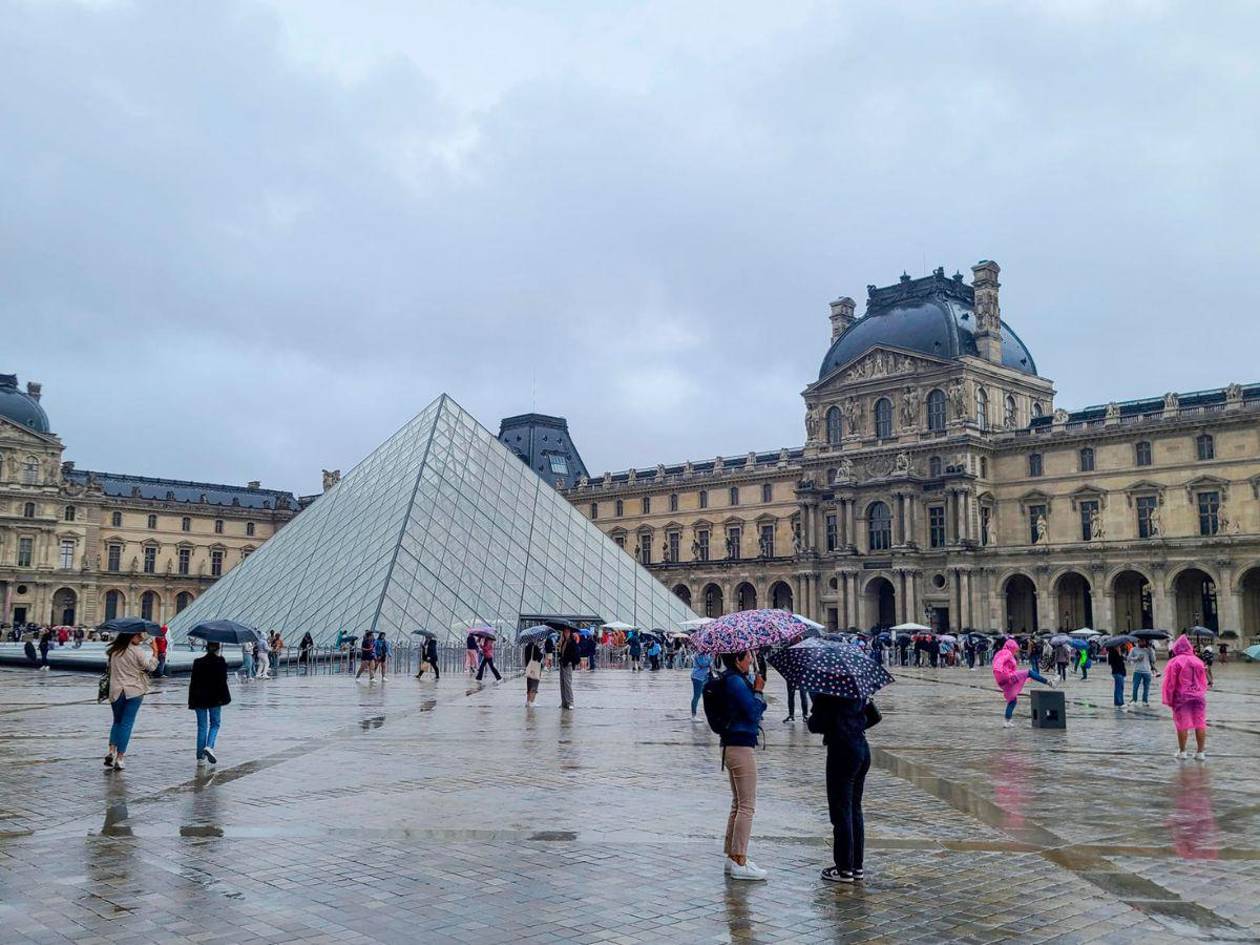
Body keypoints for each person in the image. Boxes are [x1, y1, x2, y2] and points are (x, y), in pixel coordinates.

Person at [715, 650, 767, 880]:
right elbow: (754, 712)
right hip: (740, 746)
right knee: (747, 806)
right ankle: (739, 860)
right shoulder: (736, 682)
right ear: (737, 660)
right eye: (747, 657)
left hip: (731, 745)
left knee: (738, 804)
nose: (750, 661)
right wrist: (758, 690)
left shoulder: (732, 679)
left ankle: (733, 857)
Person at [808, 693, 871, 883]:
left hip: (842, 750)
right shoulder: (856, 687)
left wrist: (815, 708)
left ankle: (844, 868)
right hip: (861, 747)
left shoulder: (828, 691)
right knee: (854, 809)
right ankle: (856, 866)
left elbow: (816, 724)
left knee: (841, 811)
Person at [104, 631, 158, 770]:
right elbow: (151, 667)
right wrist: (155, 651)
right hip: (134, 691)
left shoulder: (114, 651)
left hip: (116, 691)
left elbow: (109, 669)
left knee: (117, 722)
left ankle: (111, 751)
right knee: (127, 724)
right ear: (131, 636)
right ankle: (120, 758)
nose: (141, 639)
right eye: (139, 636)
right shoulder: (137, 651)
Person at [1162, 635, 1209, 761]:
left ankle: (1183, 751)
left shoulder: (1175, 662)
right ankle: (1200, 752)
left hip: (1181, 696)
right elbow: (1203, 681)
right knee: (1200, 722)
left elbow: (1170, 683)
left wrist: (1169, 698)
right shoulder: (1198, 661)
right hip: (1198, 696)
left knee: (1182, 724)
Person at [993, 638, 1055, 728]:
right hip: (1006, 676)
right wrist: (998, 669)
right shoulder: (1007, 652)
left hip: (1002, 680)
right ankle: (1049, 682)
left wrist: (1023, 679)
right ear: (1011, 647)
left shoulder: (1000, 653)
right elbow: (999, 662)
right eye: (1014, 649)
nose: (1015, 652)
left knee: (1012, 701)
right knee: (1029, 672)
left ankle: (1007, 721)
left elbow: (1000, 663)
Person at [188, 641, 231, 767]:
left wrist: (191, 701)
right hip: (215, 699)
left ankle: (200, 758)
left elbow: (193, 683)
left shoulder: (197, 662)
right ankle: (209, 746)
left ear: (206, 648)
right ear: (218, 649)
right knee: (215, 724)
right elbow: (223, 681)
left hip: (199, 699)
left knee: (202, 726)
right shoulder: (221, 662)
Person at [1128, 639, 1155, 706]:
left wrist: (1151, 651)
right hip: (1137, 671)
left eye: (1144, 641)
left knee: (1146, 687)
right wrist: (1137, 658)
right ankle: (1134, 700)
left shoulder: (1148, 650)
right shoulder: (1133, 649)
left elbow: (1153, 660)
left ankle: (1145, 701)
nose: (1142, 642)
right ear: (1138, 641)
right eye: (1141, 641)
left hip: (1147, 671)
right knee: (1135, 686)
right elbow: (1128, 658)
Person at [558, 627, 579, 709]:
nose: (566, 634)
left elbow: (572, 654)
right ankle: (564, 702)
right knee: (562, 683)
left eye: (567, 632)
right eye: (565, 632)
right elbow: (562, 653)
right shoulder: (563, 642)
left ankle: (570, 702)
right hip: (562, 664)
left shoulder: (571, 642)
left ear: (570, 633)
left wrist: (568, 661)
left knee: (567, 683)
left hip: (568, 664)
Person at [690, 650, 713, 721]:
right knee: (697, 696)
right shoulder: (698, 654)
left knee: (707, 695)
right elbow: (703, 664)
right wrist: (711, 660)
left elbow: (710, 664)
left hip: (705, 677)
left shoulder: (707, 653)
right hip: (697, 677)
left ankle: (709, 714)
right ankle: (693, 716)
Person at [1108, 643, 1128, 709]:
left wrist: (1120, 654)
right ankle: (1120, 703)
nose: (1119, 646)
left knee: (1118, 687)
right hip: (1118, 672)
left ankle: (1118, 702)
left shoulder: (1113, 652)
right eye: (1118, 645)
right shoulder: (1113, 653)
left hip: (1118, 672)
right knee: (1119, 688)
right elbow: (1118, 662)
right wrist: (1119, 654)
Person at [524, 641, 543, 706]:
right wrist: (541, 652)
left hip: (529, 668)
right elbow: (539, 657)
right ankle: (531, 701)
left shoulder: (526, 647)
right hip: (535, 669)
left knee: (529, 686)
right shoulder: (535, 647)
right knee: (534, 685)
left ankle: (528, 701)